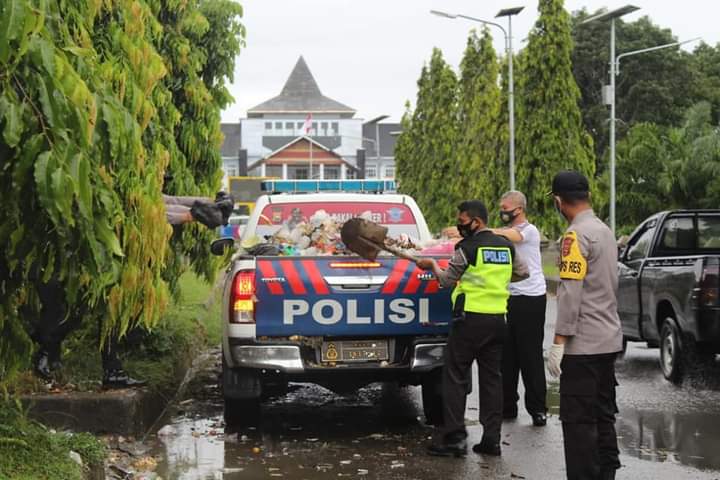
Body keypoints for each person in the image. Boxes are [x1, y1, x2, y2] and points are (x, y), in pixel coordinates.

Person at [31, 190, 234, 388]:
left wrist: (211, 202)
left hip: (99, 264)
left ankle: (103, 370)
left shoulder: (136, 185)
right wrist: (191, 215)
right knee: (77, 313)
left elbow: (166, 200)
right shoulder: (112, 187)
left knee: (108, 315)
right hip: (80, 262)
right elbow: (145, 212)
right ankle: (46, 353)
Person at [416, 200, 528, 458]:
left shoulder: (466, 248)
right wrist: (497, 277)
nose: (460, 225)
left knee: (455, 377)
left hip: (469, 322)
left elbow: (446, 282)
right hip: (498, 321)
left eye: (463, 221)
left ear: (476, 221)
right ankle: (491, 440)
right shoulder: (506, 246)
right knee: (492, 381)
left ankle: (454, 438)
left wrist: (431, 266)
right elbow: (523, 273)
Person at [547, 171, 623, 480]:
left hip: (584, 347)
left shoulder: (574, 236)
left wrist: (559, 341)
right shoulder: (604, 230)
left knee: (579, 423)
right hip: (608, 342)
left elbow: (571, 294)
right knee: (603, 415)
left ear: (558, 201)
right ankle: (607, 473)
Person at [490, 191, 548, 426]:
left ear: (519, 209)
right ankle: (507, 406)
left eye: (506, 207)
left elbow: (511, 235)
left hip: (531, 297)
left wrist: (484, 230)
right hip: (509, 297)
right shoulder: (502, 233)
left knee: (530, 355)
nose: (503, 211)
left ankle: (537, 408)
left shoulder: (529, 231)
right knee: (508, 356)